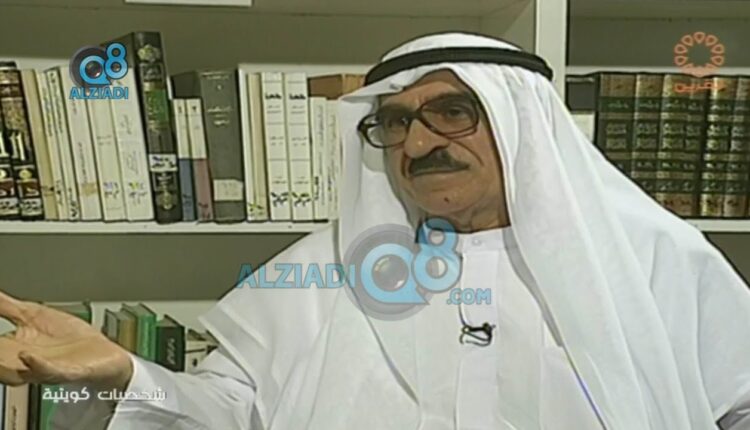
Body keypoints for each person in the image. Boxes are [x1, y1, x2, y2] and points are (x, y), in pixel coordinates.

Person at [1, 32, 749, 430]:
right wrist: (126, 374)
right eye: (394, 123)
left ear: (524, 126)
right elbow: (227, 412)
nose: (418, 143)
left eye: (453, 112)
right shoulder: (324, 271)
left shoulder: (656, 259)